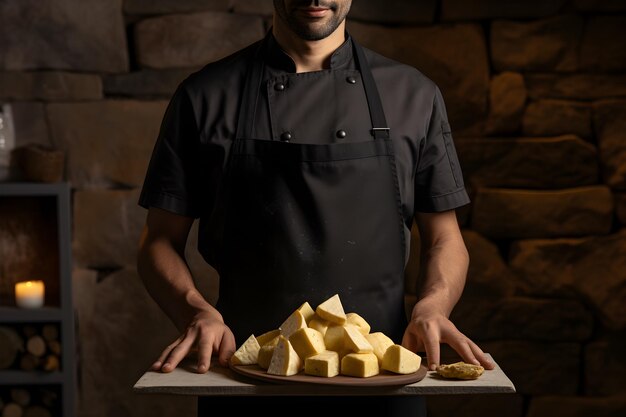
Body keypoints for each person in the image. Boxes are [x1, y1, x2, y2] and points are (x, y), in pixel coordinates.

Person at [137, 0, 494, 414]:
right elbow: (158, 241)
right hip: (245, 380)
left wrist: (433, 306)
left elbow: (445, 239)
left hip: (384, 382)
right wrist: (194, 311)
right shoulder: (205, 96)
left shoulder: (414, 95)